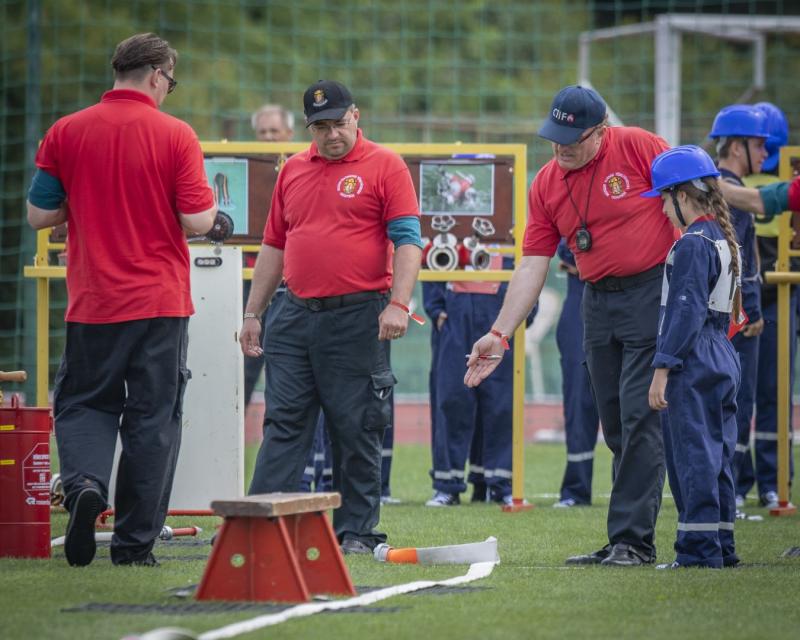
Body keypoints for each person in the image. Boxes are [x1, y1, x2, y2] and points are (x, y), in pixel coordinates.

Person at [26, 33, 217, 567]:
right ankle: (133, 546)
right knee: (152, 419)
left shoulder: (66, 130)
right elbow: (198, 219)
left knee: (85, 402)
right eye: (171, 83)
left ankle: (86, 483)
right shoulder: (176, 134)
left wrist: (86, 201)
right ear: (157, 75)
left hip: (94, 300)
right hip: (160, 302)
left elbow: (39, 215)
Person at [465, 85, 675, 567]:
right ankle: (625, 538)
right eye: (554, 137)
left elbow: (688, 199)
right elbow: (532, 264)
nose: (561, 148)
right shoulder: (546, 183)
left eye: (572, 139)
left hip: (651, 291)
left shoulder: (640, 146)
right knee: (615, 422)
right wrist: (499, 334)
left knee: (641, 418)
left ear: (601, 132)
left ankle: (633, 542)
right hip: (595, 298)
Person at [240, 80, 423, 554]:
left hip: (358, 316)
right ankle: (261, 526)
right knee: (283, 423)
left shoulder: (386, 165)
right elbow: (274, 245)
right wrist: (253, 312)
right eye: (321, 127)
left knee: (356, 426)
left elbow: (408, 241)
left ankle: (356, 533)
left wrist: (399, 304)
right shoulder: (293, 169)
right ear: (309, 128)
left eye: (339, 123)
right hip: (293, 315)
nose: (332, 134)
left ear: (356, 116)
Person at [643, 145, 741, 569]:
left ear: (683, 195)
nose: (663, 209)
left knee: (692, 453)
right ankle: (721, 543)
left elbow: (685, 311)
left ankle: (698, 551)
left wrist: (662, 368)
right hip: (721, 351)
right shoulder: (722, 238)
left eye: (664, 199)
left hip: (694, 355)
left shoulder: (692, 244)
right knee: (717, 455)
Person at [424, 257, 534, 507]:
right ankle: (446, 486)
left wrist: (527, 311)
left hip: (499, 311)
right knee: (451, 399)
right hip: (456, 312)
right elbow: (432, 253)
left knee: (502, 403)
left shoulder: (514, 231)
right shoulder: (454, 228)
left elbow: (530, 263)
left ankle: (500, 484)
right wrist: (436, 308)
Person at [707, 105, 767, 509]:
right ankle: (730, 496)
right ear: (735, 147)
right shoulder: (734, 194)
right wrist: (755, 311)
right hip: (737, 319)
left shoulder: (714, 187)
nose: (765, 154)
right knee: (737, 405)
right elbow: (739, 258)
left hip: (718, 316)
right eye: (758, 145)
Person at [554, 239, 600, 508]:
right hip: (580, 306)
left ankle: (630, 493)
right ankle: (576, 490)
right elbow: (566, 248)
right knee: (578, 402)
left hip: (626, 302)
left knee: (628, 405)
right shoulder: (576, 214)